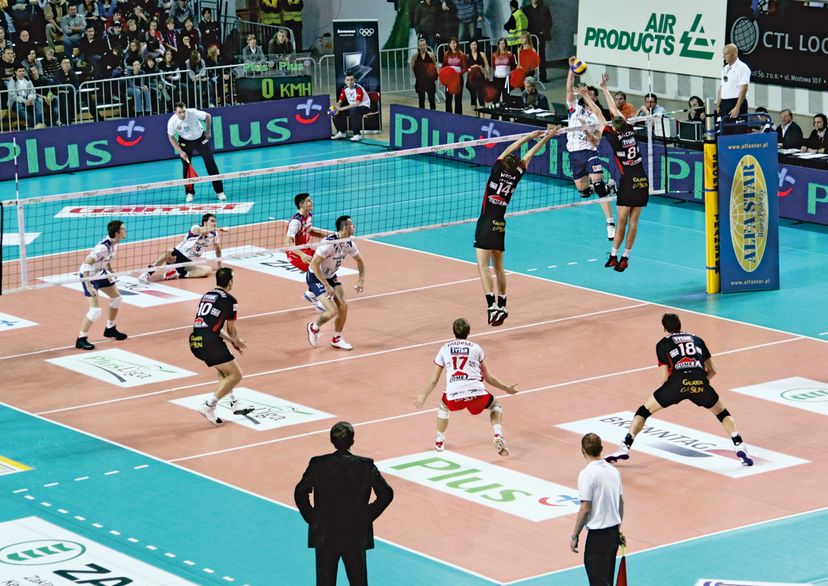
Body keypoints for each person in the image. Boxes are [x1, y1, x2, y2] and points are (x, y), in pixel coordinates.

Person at [605, 313, 754, 467]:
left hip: (676, 384)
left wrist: (676, 389)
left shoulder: (662, 344)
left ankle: (625, 447)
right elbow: (713, 370)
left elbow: (663, 379)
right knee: (723, 414)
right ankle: (739, 445)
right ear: (680, 324)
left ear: (664, 328)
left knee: (644, 412)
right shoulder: (698, 339)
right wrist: (698, 384)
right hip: (700, 383)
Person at [294, 421, 394, 586]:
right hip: (355, 534)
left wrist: (313, 518)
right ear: (352, 441)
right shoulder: (365, 465)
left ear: (332, 441)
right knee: (358, 582)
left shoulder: (318, 464)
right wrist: (367, 516)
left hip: (326, 535)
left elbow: (300, 492)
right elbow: (386, 494)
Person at [474, 130, 552, 326]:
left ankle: (492, 306)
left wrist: (528, 136)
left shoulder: (496, 170)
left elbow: (512, 148)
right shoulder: (516, 175)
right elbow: (529, 155)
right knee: (499, 267)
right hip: (500, 225)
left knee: (483, 266)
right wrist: (547, 137)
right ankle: (503, 303)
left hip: (485, 223)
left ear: (503, 162)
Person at [415, 317, 518, 455]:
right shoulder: (476, 348)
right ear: (468, 332)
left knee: (443, 406)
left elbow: (434, 380)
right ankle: (498, 435)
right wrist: (506, 388)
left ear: (453, 332)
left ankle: (439, 441)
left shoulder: (445, 349)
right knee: (495, 406)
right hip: (477, 394)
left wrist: (423, 395)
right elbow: (488, 378)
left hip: (454, 396)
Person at [579, 75, 649, 272]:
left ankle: (613, 254)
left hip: (627, 181)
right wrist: (605, 89)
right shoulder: (629, 129)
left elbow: (599, 113)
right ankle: (626, 257)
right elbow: (614, 111)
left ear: (613, 129)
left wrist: (586, 96)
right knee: (633, 222)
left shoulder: (612, 137)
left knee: (621, 221)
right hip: (642, 180)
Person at [189, 267, 254, 426]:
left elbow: (212, 326)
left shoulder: (207, 296)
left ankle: (234, 403)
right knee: (236, 375)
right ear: (230, 281)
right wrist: (237, 341)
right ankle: (209, 406)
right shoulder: (231, 301)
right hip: (210, 342)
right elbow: (232, 330)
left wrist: (232, 341)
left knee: (225, 370)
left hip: (195, 341)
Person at [565, 58, 616, 241]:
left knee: (599, 186)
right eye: (585, 93)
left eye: (591, 94)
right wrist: (571, 70)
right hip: (574, 154)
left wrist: (587, 130)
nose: (587, 96)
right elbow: (569, 89)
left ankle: (610, 223)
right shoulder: (573, 109)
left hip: (589, 152)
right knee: (584, 193)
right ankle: (610, 187)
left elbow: (596, 142)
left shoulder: (595, 118)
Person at [570, 433, 624, 586]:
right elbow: (620, 504)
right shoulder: (614, 472)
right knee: (607, 581)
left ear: (583, 450)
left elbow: (585, 508)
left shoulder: (587, 474)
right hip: (613, 535)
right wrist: (617, 530)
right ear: (601, 448)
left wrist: (575, 536)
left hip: (597, 539)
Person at [306, 215, 366, 351]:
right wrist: (326, 286)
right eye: (352, 225)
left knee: (343, 306)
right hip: (315, 276)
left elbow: (360, 261)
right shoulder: (328, 243)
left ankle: (337, 338)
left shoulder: (349, 242)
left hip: (331, 276)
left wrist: (361, 280)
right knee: (332, 310)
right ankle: (313, 328)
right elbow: (314, 265)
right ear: (345, 227)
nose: (354, 227)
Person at [75, 221, 129, 351]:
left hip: (100, 273)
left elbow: (106, 260)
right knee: (95, 310)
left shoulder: (114, 245)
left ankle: (110, 328)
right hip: (89, 276)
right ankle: (81, 339)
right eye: (123, 229)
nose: (125, 231)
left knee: (117, 298)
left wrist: (111, 270)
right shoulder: (103, 247)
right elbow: (87, 263)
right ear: (117, 232)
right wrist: (89, 286)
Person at [167, 102, 227, 203]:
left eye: (184, 111)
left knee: (211, 163)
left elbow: (208, 116)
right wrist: (180, 151)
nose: (182, 114)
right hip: (185, 143)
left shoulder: (192, 112)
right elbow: (171, 137)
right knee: (186, 167)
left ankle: (219, 191)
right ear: (175, 112)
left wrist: (208, 131)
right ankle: (190, 193)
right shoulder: (172, 121)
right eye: (180, 112)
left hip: (201, 140)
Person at [140, 214, 224, 283]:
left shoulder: (214, 234)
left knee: (208, 270)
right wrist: (218, 228)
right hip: (176, 256)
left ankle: (179, 273)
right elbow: (199, 230)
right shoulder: (195, 227)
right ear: (205, 222)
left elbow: (217, 248)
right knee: (168, 252)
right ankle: (147, 273)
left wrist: (219, 265)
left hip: (188, 263)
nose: (215, 223)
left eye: (215, 221)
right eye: (212, 221)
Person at [284, 192, 328, 312]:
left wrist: (329, 235)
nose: (312, 202)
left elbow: (310, 231)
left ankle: (310, 293)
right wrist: (302, 254)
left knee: (327, 262)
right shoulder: (295, 222)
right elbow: (287, 244)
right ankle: (321, 303)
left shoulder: (308, 216)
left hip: (306, 250)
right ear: (301, 204)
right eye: (308, 201)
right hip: (295, 254)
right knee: (319, 270)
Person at [330, 73, 371, 142]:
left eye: (351, 80)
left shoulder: (358, 88)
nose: (350, 82)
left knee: (353, 111)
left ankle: (357, 134)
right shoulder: (344, 89)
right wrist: (335, 107)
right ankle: (341, 132)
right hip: (353, 108)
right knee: (333, 111)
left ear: (354, 80)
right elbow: (340, 101)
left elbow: (356, 103)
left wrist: (342, 108)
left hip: (364, 107)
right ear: (345, 81)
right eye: (348, 80)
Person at [717, 43, 750, 124]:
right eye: (723, 54)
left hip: (736, 102)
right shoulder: (725, 68)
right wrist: (718, 105)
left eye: (726, 54)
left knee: (737, 132)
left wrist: (737, 107)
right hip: (724, 104)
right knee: (725, 132)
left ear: (734, 54)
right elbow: (722, 88)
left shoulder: (742, 68)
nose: (723, 57)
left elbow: (744, 89)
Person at [523, 0, 551, 82]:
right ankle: (529, 77)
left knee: (541, 57)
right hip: (530, 37)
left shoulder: (544, 8)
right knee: (529, 57)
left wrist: (543, 31)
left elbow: (549, 22)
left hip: (540, 37)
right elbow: (524, 22)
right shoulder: (526, 9)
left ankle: (543, 77)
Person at [440, 36, 466, 115]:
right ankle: (448, 115)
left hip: (458, 78)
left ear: (457, 44)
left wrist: (458, 74)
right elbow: (443, 66)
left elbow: (464, 68)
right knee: (448, 98)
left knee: (458, 98)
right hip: (449, 79)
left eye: (454, 43)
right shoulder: (446, 54)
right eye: (451, 43)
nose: (453, 45)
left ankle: (458, 116)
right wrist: (444, 74)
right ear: (449, 44)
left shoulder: (461, 54)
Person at [411, 36, 437, 110]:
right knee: (421, 100)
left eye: (424, 45)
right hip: (420, 81)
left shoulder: (431, 55)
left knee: (431, 99)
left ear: (426, 45)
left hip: (430, 81)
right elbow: (412, 67)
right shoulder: (415, 56)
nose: (422, 47)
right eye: (420, 45)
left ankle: (433, 115)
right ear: (418, 46)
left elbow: (434, 66)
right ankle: (422, 116)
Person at [464, 38, 488, 108]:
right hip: (471, 78)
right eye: (472, 44)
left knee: (481, 95)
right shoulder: (467, 56)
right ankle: (474, 115)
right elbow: (466, 68)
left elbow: (486, 65)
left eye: (475, 44)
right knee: (473, 96)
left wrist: (487, 75)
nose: (473, 46)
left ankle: (482, 113)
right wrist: (473, 67)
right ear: (469, 46)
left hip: (480, 77)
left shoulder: (482, 54)